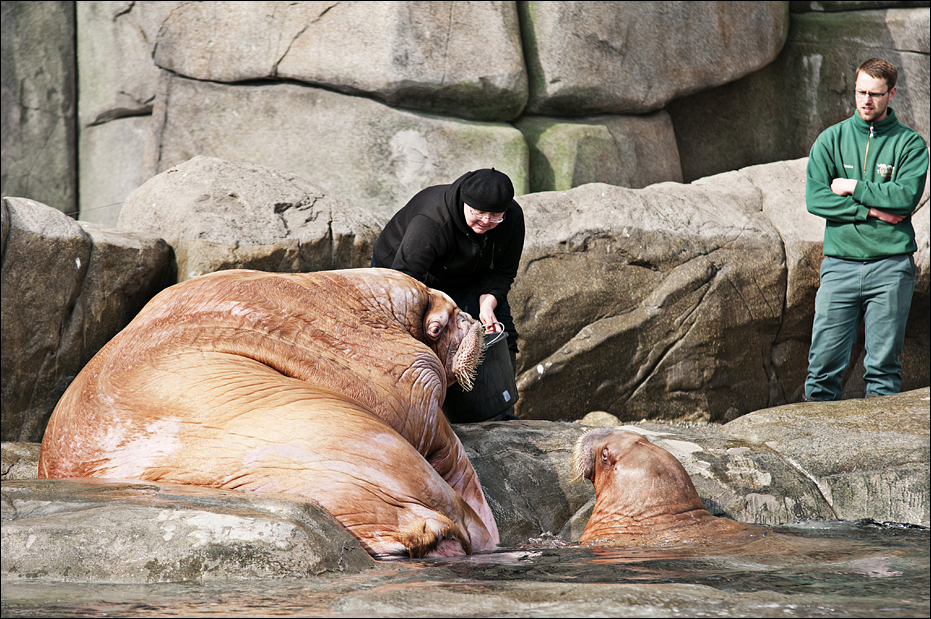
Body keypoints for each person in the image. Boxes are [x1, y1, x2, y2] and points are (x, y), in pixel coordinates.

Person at [804, 57, 929, 401]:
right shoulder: (831, 140)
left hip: (891, 267)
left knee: (883, 369)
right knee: (822, 367)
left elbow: (904, 197)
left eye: (875, 94)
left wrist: (851, 186)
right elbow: (816, 199)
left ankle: (878, 454)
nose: (866, 101)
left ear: (892, 93)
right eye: (861, 92)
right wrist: (872, 208)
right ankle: (811, 445)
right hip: (839, 265)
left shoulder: (911, 145)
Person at [372, 168, 525, 419]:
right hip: (404, 272)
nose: (486, 221)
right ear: (466, 203)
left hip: (468, 273)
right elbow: (403, 282)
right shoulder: (432, 220)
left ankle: (498, 411)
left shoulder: (512, 218)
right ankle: (412, 413)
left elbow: (503, 272)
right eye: (478, 213)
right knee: (418, 337)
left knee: (499, 332)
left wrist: (487, 306)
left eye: (495, 216)